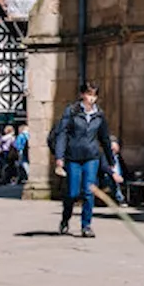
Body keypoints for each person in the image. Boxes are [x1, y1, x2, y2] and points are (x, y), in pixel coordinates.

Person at [53, 82, 120, 238]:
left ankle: (86, 226)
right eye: (89, 94)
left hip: (91, 157)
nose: (91, 98)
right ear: (82, 94)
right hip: (73, 157)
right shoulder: (72, 112)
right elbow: (62, 134)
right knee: (72, 192)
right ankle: (65, 219)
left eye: (94, 95)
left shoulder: (99, 115)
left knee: (89, 192)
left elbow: (104, 138)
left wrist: (111, 161)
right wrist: (59, 157)